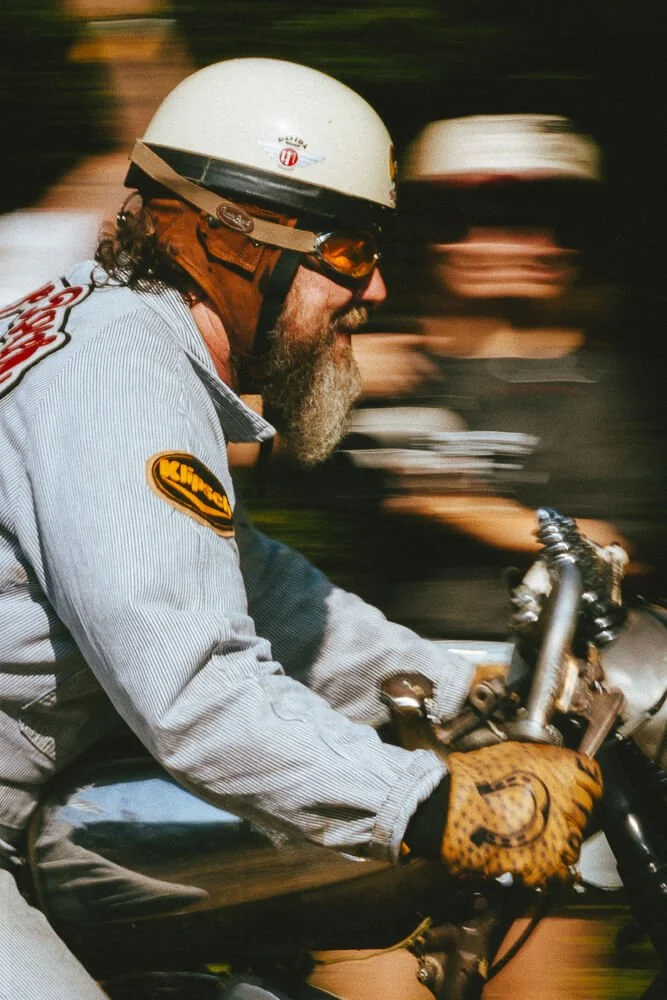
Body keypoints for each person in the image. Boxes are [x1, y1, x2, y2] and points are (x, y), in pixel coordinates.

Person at [0, 60, 601, 1000]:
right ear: (232, 239)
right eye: (350, 254)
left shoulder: (114, 335)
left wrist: (479, 694)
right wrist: (432, 803)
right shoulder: (121, 375)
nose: (377, 290)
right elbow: (190, 685)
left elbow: (262, 593)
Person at [351, 113, 665, 639]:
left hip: (553, 674)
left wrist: (452, 504)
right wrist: (319, 381)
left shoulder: (614, 389)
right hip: (369, 671)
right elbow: (224, 449)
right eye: (467, 219)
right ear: (431, 236)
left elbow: (621, 549)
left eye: (547, 220)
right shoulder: (379, 365)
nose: (510, 241)